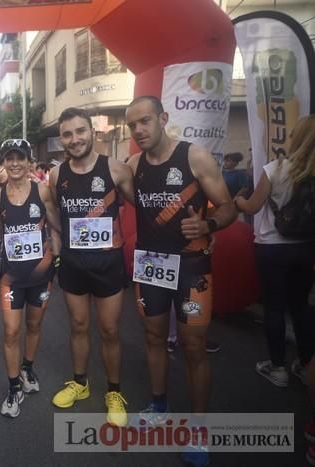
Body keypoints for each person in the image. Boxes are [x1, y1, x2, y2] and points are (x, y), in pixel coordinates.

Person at [125, 96, 237, 467]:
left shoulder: (194, 157)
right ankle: (158, 406)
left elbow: (228, 206)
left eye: (145, 121)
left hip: (192, 267)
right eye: (132, 125)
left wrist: (208, 224)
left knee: (193, 347)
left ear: (163, 119)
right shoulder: (133, 165)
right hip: (152, 264)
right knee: (154, 337)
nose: (139, 130)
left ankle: (198, 428)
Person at [48, 108, 135, 427]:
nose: (75, 139)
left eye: (80, 131)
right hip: (73, 264)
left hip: (108, 263)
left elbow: (142, 205)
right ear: (62, 139)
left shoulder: (116, 169)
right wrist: (61, 243)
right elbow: (54, 213)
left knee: (111, 330)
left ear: (92, 131)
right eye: (68, 134)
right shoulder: (56, 175)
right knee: (79, 326)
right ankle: (80, 384)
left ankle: (114, 392)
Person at [235, 115, 315, 389]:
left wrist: (239, 200)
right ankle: (307, 365)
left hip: (272, 248)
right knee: (301, 307)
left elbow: (253, 207)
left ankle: (278, 366)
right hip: (306, 249)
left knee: (275, 307)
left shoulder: (275, 169)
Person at [0, 138, 61, 418]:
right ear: (4, 162)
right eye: (10, 158)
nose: (15, 163)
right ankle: (12, 386)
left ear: (30, 162)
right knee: (10, 331)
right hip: (10, 276)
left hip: (42, 274)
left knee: (34, 325)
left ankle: (27, 368)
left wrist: (61, 254)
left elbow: (55, 225)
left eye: (21, 158)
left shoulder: (42, 192)